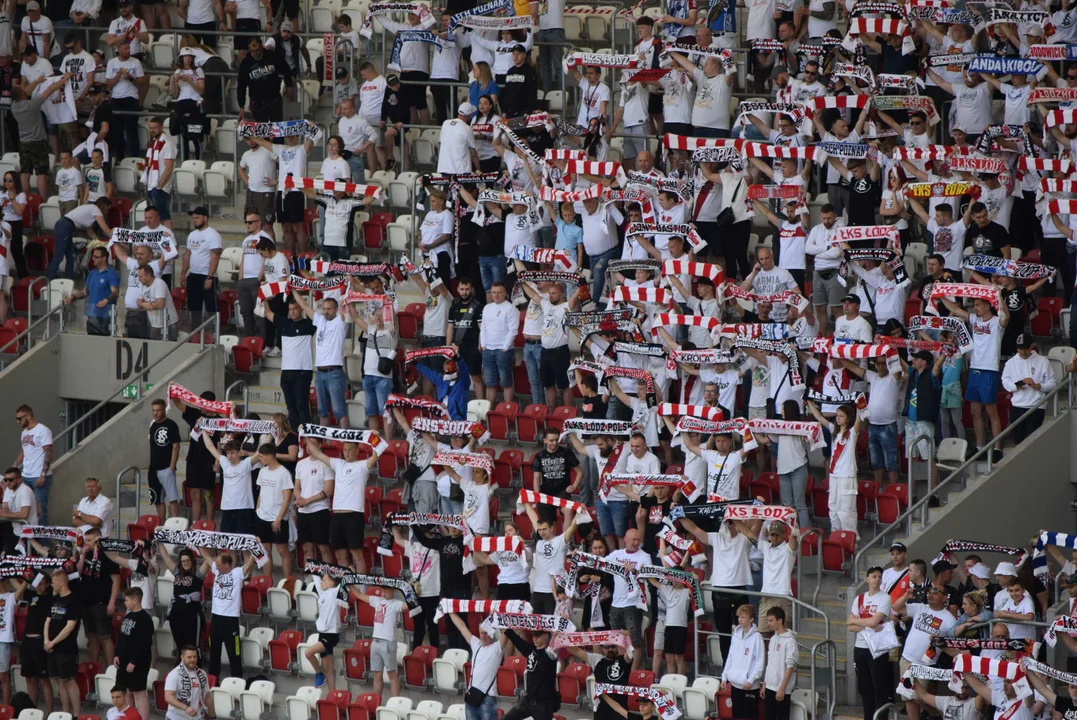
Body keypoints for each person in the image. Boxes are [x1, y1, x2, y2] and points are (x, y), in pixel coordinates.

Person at [940, 288, 1008, 462]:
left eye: (978, 305)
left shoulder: (996, 323)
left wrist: (998, 295)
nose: (975, 308)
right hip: (974, 370)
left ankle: (998, 448)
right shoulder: (974, 320)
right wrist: (939, 295)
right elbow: (955, 310)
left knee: (991, 410)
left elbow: (1006, 316)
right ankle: (979, 447)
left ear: (987, 306)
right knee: (975, 410)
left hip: (989, 371)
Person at [304, 437, 377, 572]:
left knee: (357, 554)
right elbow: (317, 453)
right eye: (345, 450)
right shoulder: (338, 463)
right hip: (337, 515)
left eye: (350, 450)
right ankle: (345, 586)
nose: (347, 452)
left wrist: (375, 439)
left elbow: (374, 458)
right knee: (339, 554)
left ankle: (360, 588)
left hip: (354, 515)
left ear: (357, 451)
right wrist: (306, 436)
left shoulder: (362, 465)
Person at [291, 291, 349, 429]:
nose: (326, 311)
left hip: (334, 372)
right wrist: (293, 289)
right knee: (322, 412)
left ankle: (344, 443)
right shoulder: (320, 321)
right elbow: (304, 306)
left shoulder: (340, 322)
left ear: (335, 309)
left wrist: (345, 287)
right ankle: (325, 443)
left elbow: (344, 304)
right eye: (324, 308)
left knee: (340, 412)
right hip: (320, 373)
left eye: (329, 309)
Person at [806, 400, 862, 536]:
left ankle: (849, 538)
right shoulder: (834, 432)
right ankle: (836, 535)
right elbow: (819, 417)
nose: (838, 418)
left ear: (849, 418)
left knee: (846, 510)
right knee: (833, 508)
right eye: (837, 415)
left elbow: (859, 422)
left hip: (847, 475)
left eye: (841, 416)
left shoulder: (852, 434)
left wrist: (860, 405)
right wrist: (809, 401)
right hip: (834, 475)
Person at [198, 549, 255, 680]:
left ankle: (237, 681)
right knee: (214, 653)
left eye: (218, 565)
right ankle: (213, 681)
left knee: (234, 654)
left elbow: (249, 564)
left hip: (231, 619)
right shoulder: (217, 571)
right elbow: (207, 557)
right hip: (216, 618)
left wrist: (254, 548)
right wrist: (198, 542)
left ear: (227, 565)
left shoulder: (237, 573)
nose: (215, 567)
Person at [849, 566, 894, 720]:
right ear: (867, 579)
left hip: (877, 648)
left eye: (879, 577)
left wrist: (859, 621)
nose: (877, 579)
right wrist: (868, 623)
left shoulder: (885, 598)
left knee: (879, 686)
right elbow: (849, 626)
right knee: (864, 688)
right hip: (860, 647)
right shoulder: (859, 598)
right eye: (874, 576)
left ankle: (881, 718)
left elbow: (875, 620)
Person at [448, 613, 505, 720]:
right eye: (481, 633)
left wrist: (497, 617)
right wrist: (449, 610)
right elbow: (461, 627)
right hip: (472, 697)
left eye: (486, 632)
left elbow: (506, 633)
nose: (483, 635)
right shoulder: (476, 644)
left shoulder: (497, 648)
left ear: (492, 632)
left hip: (488, 698)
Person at [351, 582, 406, 695]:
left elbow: (408, 606)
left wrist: (410, 591)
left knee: (391, 674)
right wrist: (349, 584)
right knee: (376, 674)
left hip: (388, 641)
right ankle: (376, 701)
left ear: (393, 591)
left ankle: (395, 701)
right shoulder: (377, 600)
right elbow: (360, 595)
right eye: (382, 590)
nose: (384, 593)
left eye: (386, 591)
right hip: (375, 641)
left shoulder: (396, 603)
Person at [1002, 334, 1056, 445]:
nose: (1022, 351)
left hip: (1036, 407)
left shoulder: (1042, 361)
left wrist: (1038, 386)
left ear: (1031, 347)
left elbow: (1053, 383)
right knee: (1018, 443)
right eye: (1019, 348)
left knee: (1032, 443)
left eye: (1025, 348)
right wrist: (1019, 384)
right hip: (1017, 407)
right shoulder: (1011, 363)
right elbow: (1006, 383)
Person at [302, 573, 350, 690]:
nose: (321, 583)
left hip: (331, 635)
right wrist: (314, 567)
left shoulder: (334, 593)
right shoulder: (322, 593)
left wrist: (347, 572)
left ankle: (319, 674)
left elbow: (344, 583)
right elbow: (316, 577)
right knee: (328, 667)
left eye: (324, 580)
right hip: (322, 633)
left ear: (331, 583)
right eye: (322, 580)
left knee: (308, 653)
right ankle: (332, 695)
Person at [44, 568, 81, 716]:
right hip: (51, 648)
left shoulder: (73, 600)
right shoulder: (55, 599)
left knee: (69, 681)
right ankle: (66, 713)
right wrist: (47, 641)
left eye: (53, 582)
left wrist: (53, 643)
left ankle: (77, 715)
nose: (51, 585)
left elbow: (70, 627)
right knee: (59, 681)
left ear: (61, 582)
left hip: (67, 648)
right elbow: (47, 621)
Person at [501, 628, 558, 720]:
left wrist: (556, 632)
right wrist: (503, 621)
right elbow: (515, 638)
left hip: (543, 704)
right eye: (533, 635)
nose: (535, 638)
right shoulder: (530, 650)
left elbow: (556, 642)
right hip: (528, 700)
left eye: (538, 635)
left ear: (546, 635)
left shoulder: (550, 653)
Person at [156, 547, 203, 657]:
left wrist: (200, 545)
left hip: (192, 615)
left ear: (192, 561)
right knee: (179, 645)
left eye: (188, 560)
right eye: (183, 561)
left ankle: (195, 668)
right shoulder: (177, 572)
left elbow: (208, 561)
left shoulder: (198, 573)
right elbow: (164, 555)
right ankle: (181, 666)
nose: (186, 563)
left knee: (192, 646)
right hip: (176, 615)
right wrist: (159, 538)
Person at [721, 605, 765, 720]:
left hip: (749, 686)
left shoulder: (757, 637)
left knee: (750, 715)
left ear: (751, 619)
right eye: (739, 616)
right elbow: (730, 657)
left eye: (743, 617)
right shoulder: (736, 635)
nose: (740, 619)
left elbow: (760, 663)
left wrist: (750, 680)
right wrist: (724, 677)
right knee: (737, 715)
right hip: (735, 683)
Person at [114, 587, 152, 720]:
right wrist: (117, 655)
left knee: (139, 693)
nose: (124, 602)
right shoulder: (128, 616)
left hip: (138, 662)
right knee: (127, 692)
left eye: (127, 600)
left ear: (135, 601)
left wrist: (134, 661)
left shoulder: (145, 619)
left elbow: (143, 643)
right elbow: (122, 638)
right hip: (124, 660)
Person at [180, 207, 221, 326]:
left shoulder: (213, 235)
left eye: (197, 218)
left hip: (206, 275)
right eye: (193, 218)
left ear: (205, 218)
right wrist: (183, 273)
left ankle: (214, 334)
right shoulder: (192, 235)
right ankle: (195, 333)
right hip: (193, 275)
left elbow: (215, 256)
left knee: (211, 308)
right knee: (194, 308)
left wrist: (209, 277)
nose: (194, 220)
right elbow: (188, 254)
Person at [65, 245, 118, 335]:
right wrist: (73, 297)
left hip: (105, 316)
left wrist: (106, 300)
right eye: (93, 256)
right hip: (92, 315)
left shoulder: (111, 273)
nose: (93, 259)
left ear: (104, 258)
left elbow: (115, 292)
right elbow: (85, 292)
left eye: (96, 257)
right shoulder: (92, 273)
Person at [13, 404, 52, 524]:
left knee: (40, 511)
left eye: (20, 418)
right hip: (26, 476)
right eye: (17, 419)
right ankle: (27, 539)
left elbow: (48, 453)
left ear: (28, 416)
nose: (17, 421)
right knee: (25, 508)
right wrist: (14, 467)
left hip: (38, 476)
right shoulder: (24, 433)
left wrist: (43, 474)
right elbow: (23, 451)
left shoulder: (43, 430)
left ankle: (42, 540)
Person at [147, 399, 180, 522]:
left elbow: (176, 446)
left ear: (164, 410)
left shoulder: (171, 425)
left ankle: (174, 525)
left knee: (172, 498)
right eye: (153, 410)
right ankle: (161, 525)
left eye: (158, 410)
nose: (155, 413)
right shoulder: (153, 425)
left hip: (166, 467)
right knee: (157, 500)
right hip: (153, 468)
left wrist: (172, 466)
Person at [763, 607, 797, 720]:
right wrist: (765, 683)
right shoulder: (773, 639)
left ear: (780, 620)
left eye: (771, 620)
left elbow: (790, 666)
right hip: (770, 686)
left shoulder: (790, 641)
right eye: (768, 620)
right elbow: (770, 663)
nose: (769, 623)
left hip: (781, 689)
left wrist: (782, 688)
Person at [164, 646, 213, 720]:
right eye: (189, 657)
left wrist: (212, 716)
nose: (192, 660)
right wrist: (185, 708)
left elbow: (208, 696)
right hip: (176, 718)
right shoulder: (174, 674)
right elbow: (169, 697)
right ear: (182, 657)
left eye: (195, 657)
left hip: (197, 717)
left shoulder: (202, 674)